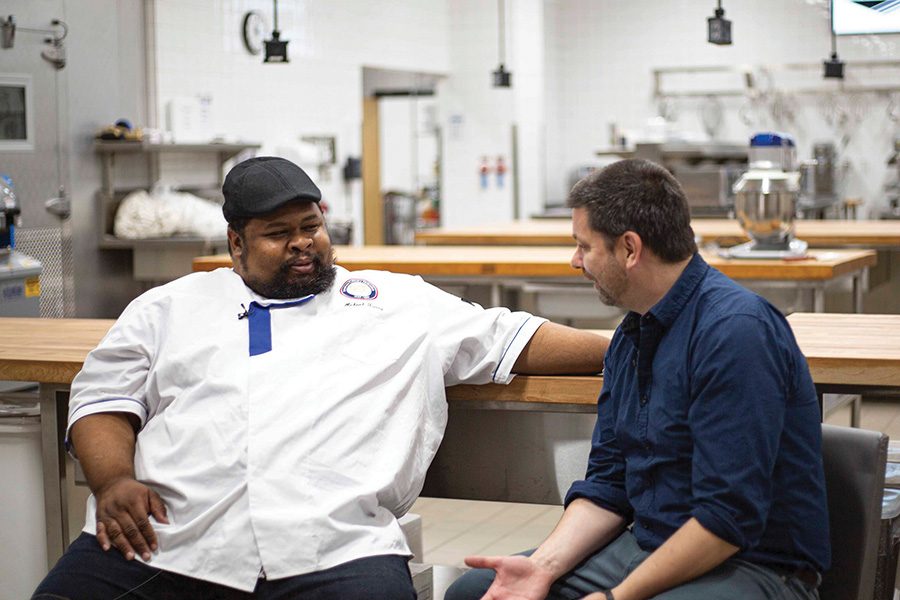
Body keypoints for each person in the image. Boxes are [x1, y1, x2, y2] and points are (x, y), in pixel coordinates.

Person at [33, 157, 609, 600]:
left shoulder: (395, 301)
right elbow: (103, 399)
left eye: (311, 225)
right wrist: (111, 482)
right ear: (236, 243)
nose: (302, 242)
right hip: (170, 541)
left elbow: (515, 338)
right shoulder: (169, 307)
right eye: (278, 232)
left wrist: (634, 341)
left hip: (338, 549)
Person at [446, 158, 830, 600]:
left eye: (584, 246)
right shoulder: (632, 336)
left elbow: (728, 519)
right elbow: (609, 484)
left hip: (751, 565)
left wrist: (617, 597)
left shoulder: (735, 332)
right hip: (647, 545)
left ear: (630, 249)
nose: (575, 261)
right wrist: (540, 568)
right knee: (475, 592)